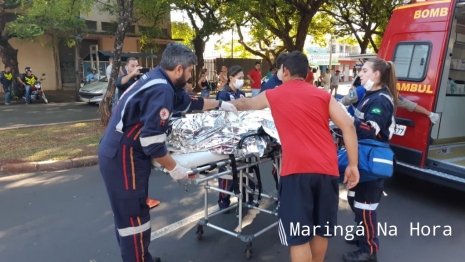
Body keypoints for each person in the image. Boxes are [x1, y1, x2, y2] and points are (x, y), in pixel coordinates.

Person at [98, 42, 238, 262]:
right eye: (190, 71)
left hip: (123, 151)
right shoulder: (161, 88)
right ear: (179, 69)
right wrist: (175, 168)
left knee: (135, 213)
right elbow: (152, 141)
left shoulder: (160, 79)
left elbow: (188, 102)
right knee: (133, 219)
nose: (191, 76)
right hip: (123, 156)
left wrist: (220, 104)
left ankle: (143, 257)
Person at [230, 51, 360, 262]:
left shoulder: (274, 93)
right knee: (321, 230)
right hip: (327, 171)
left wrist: (222, 103)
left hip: (297, 172)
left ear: (286, 71)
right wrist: (353, 165)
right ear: (308, 73)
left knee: (298, 237)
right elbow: (348, 127)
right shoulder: (323, 95)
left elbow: (246, 104)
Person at [343, 58, 397, 262]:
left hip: (371, 159)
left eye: (364, 70)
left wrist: (347, 122)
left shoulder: (381, 99)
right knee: (354, 198)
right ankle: (361, 234)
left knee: (365, 205)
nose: (360, 74)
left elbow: (370, 130)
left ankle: (369, 251)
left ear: (376, 75)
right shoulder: (368, 94)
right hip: (361, 156)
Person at [340, 78, 440, 124]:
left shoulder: (391, 95)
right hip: (354, 126)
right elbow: (341, 103)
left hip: (369, 131)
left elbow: (410, 105)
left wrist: (430, 114)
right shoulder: (359, 92)